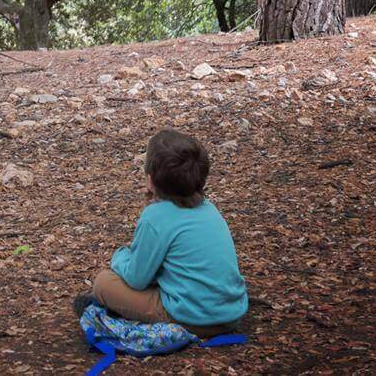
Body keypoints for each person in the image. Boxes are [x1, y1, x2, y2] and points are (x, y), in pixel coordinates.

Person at [75, 129, 248, 335]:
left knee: (104, 283)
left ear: (150, 179)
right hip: (232, 313)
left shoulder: (155, 217)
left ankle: (124, 313)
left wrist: (120, 256)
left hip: (193, 318)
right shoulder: (210, 209)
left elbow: (136, 279)